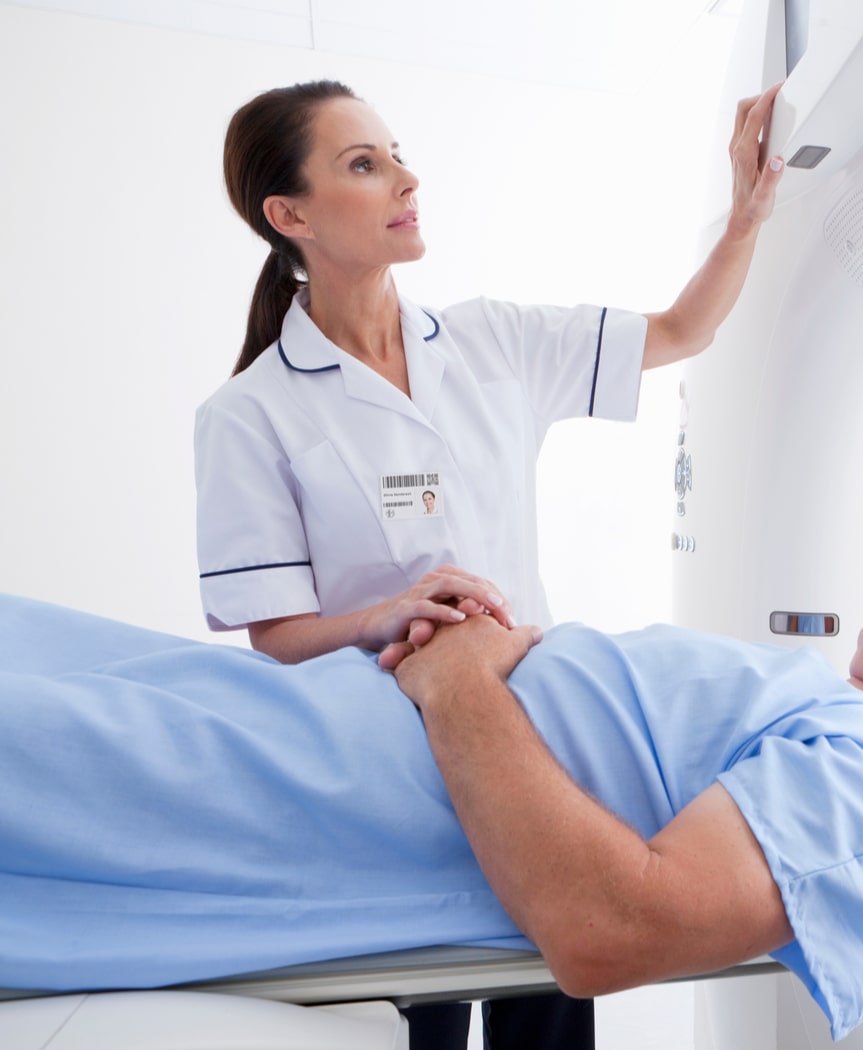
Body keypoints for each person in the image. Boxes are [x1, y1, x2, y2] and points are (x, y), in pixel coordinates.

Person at [194, 79, 784, 1045]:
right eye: (364, 164)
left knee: (547, 1011)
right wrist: (388, 613)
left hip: (540, 753)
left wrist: (747, 214)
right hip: (382, 770)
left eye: (394, 152)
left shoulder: (490, 341)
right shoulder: (249, 415)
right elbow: (277, 639)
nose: (405, 177)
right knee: (413, 1023)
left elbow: (683, 331)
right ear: (288, 215)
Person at [0, 584, 863, 1040]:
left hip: (319, 782)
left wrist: (463, 681)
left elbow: (609, 927)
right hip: (321, 716)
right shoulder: (834, 713)